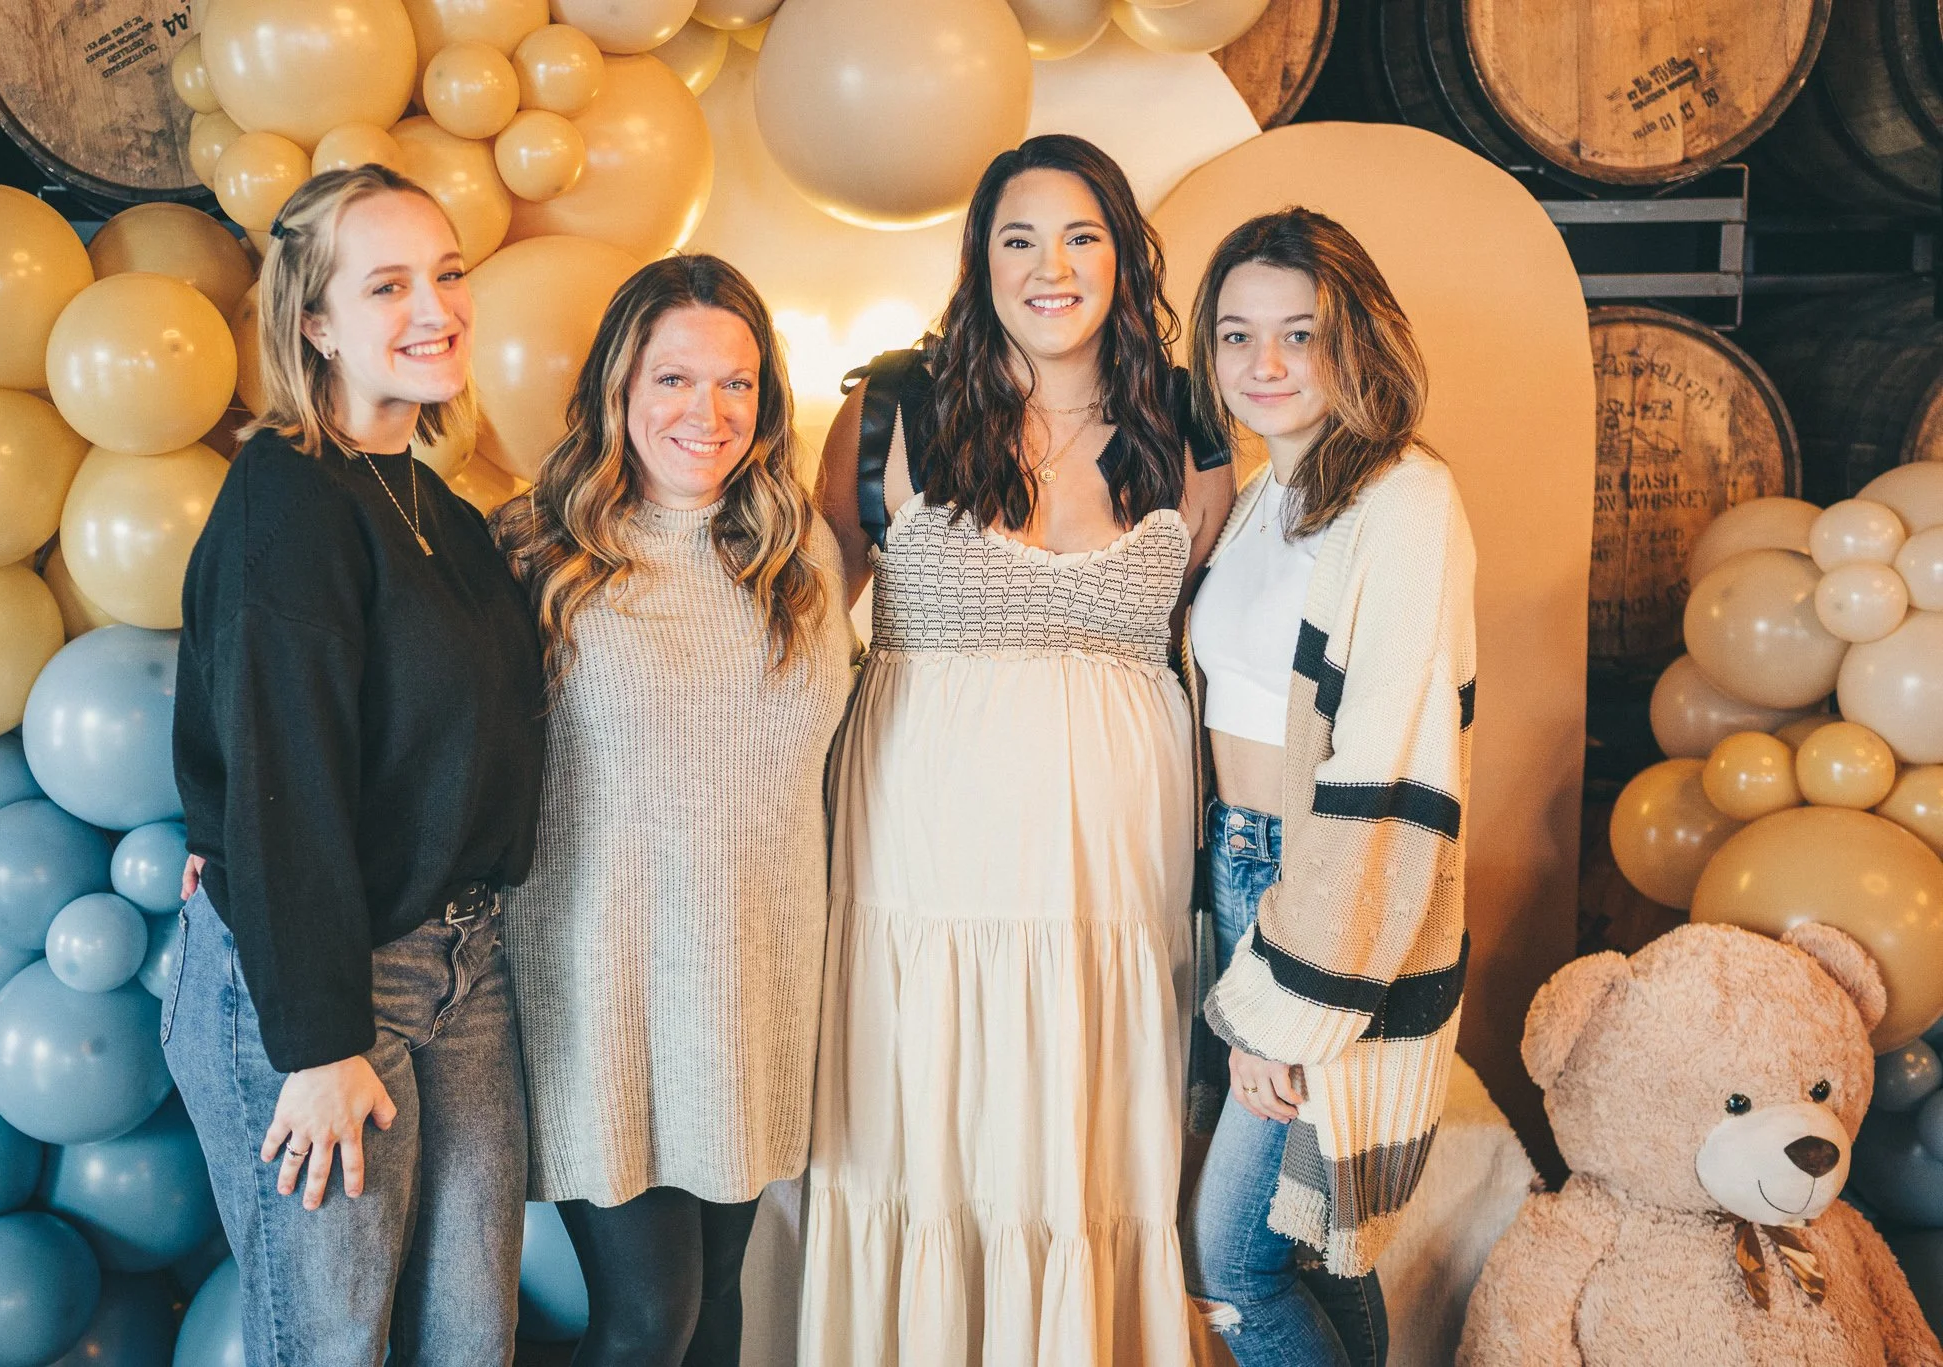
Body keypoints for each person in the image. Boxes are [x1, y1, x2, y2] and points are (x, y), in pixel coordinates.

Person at [800, 133, 1235, 1366]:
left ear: (1123, 257)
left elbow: (1219, 645)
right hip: (920, 865)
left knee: (1083, 1136)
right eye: (1019, 238)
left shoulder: (1190, 428)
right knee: (925, 1124)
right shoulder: (891, 407)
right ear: (979, 259)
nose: (1052, 267)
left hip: (1108, 876)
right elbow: (800, 631)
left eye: (1082, 236)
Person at [167, 165, 545, 1366]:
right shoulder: (286, 499)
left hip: (461, 961)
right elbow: (283, 775)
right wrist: (318, 1039)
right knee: (334, 1341)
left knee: (471, 1337)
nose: (435, 307)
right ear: (315, 325)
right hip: (328, 985)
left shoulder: (435, 504)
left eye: (447, 273)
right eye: (387, 285)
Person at [491, 254, 854, 1367]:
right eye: (674, 379)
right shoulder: (534, 550)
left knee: (719, 1307)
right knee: (648, 1323)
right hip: (603, 996)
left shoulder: (798, 552)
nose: (709, 412)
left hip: (753, 986)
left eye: (736, 382)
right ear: (618, 385)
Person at [1182, 207, 1477, 1367]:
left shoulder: (1402, 500)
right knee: (1312, 1250)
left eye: (1297, 333)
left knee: (1233, 1267)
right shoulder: (1265, 492)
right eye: (1235, 334)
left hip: (1328, 897)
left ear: (1355, 339)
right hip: (1241, 866)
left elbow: (1385, 760)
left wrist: (1290, 997)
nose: (1262, 362)